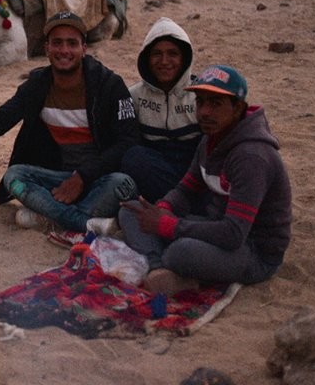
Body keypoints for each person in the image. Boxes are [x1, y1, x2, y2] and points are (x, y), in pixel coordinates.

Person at [0, 10, 139, 242]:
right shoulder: (37, 85)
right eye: (57, 43)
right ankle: (83, 223)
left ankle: (50, 217)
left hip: (98, 179)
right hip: (56, 181)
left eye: (72, 43)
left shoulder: (109, 85)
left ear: (84, 48)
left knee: (123, 184)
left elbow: (128, 142)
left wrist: (82, 177)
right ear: (46, 49)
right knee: (14, 177)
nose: (64, 51)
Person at [119, 65, 292, 295]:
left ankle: (170, 268)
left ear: (238, 108)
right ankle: (160, 270)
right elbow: (187, 189)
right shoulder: (211, 138)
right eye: (200, 102)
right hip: (214, 225)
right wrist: (163, 208)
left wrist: (169, 226)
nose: (204, 112)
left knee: (180, 252)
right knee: (130, 212)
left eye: (216, 104)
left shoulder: (251, 157)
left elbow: (233, 234)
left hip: (252, 250)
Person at [122, 17, 201, 202]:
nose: (164, 61)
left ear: (184, 58)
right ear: (146, 58)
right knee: (133, 158)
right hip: (156, 172)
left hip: (196, 173)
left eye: (173, 53)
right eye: (156, 53)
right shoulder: (134, 96)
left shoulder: (200, 95)